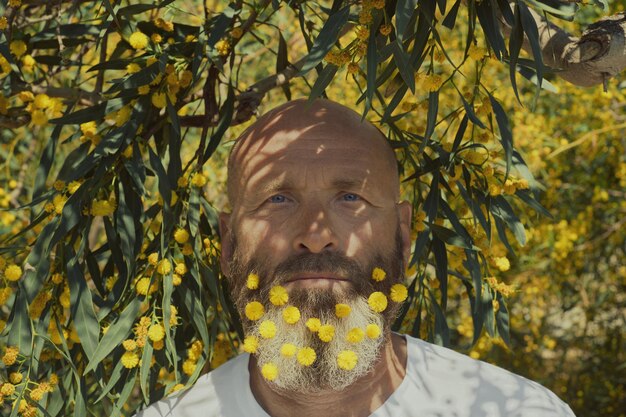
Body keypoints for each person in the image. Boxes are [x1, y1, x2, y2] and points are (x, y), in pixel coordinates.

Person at [135, 99, 576, 417]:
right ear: (229, 244)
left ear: (403, 236)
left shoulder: (513, 410)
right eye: (278, 199)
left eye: (351, 197)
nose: (316, 235)